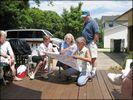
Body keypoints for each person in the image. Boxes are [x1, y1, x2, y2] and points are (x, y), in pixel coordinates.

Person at [81, 10, 99, 77]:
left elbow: (96, 33)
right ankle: (89, 70)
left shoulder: (93, 22)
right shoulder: (85, 23)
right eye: (83, 17)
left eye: (85, 17)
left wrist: (93, 42)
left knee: (93, 57)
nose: (83, 18)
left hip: (91, 43)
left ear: (88, 16)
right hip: (85, 43)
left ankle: (93, 71)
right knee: (88, 57)